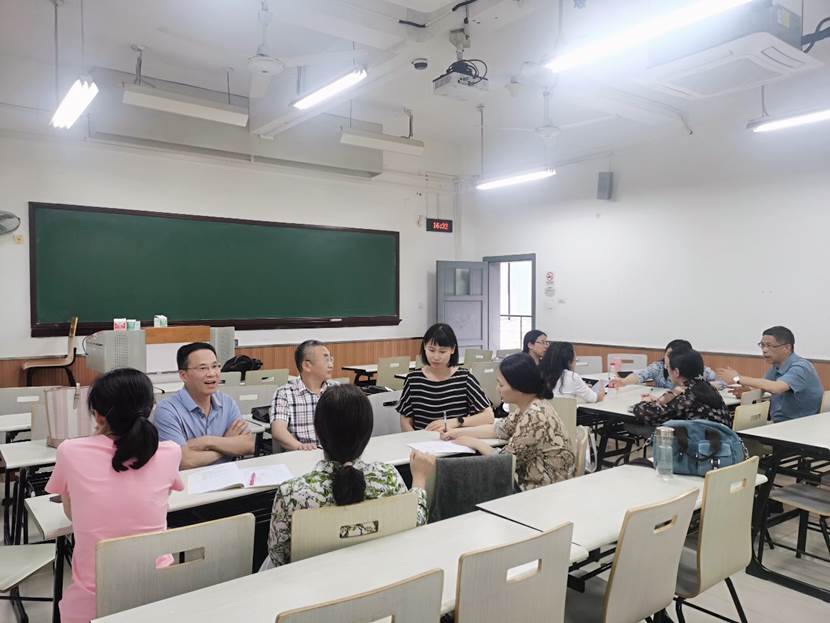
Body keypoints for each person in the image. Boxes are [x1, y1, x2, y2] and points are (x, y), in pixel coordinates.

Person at [45, 368, 183, 623]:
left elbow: (72, 514)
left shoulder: (70, 451)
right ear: (151, 408)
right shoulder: (171, 452)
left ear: (98, 416)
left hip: (94, 603)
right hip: (159, 594)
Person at [266, 384, 433, 567]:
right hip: (375, 573)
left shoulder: (291, 493)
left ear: (318, 431)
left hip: (312, 582)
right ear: (368, 431)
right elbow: (414, 525)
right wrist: (419, 479)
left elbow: (278, 557)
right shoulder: (388, 477)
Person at [441, 353, 575, 490]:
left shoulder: (534, 416)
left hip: (543, 489)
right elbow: (498, 429)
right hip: (539, 482)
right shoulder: (529, 406)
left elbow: (504, 462)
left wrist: (474, 442)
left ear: (520, 387)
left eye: (501, 384)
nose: (497, 389)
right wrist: (456, 433)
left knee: (465, 480)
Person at [154, 342, 253, 469]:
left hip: (227, 475)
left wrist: (207, 441)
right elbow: (183, 461)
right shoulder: (167, 410)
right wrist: (226, 445)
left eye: (215, 366)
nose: (212, 373)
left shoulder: (227, 402)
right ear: (183, 375)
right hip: (188, 479)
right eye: (203, 368)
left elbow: (248, 445)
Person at [397, 323, 494, 432]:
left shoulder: (465, 378)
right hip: (422, 440)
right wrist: (415, 438)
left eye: (442, 351)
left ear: (453, 349)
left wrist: (457, 422)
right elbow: (405, 419)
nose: (436, 357)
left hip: (455, 439)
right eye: (431, 350)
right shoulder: (413, 380)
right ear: (424, 347)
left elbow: (489, 416)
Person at [717, 326, 823, 422]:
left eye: (769, 346)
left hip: (799, 425)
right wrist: (749, 391)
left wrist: (737, 378)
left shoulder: (801, 367)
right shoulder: (776, 366)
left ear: (787, 348)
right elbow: (765, 386)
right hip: (779, 422)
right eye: (762, 345)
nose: (764, 350)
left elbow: (776, 388)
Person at [632, 349, 731, 427]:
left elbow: (647, 414)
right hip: (719, 442)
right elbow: (676, 407)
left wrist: (645, 402)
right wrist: (659, 401)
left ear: (676, 372)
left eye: (668, 367)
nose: (667, 370)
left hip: (697, 444)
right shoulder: (707, 387)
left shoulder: (686, 395)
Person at [270, 339, 339, 451]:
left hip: (336, 453)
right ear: (307, 365)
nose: (331, 365)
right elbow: (278, 431)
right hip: (303, 454)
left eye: (331, 359)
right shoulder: (285, 393)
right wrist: (299, 446)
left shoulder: (337, 389)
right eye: (326, 360)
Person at [609, 339, 719, 389]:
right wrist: (623, 381)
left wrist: (706, 386)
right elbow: (640, 375)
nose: (670, 359)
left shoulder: (696, 368)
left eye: (675, 355)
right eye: (668, 354)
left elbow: (719, 382)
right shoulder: (658, 367)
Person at [540, 341, 605, 403]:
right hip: (567, 411)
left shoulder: (539, 373)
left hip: (545, 410)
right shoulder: (572, 377)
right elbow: (595, 398)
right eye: (575, 359)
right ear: (569, 362)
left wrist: (583, 387)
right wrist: (602, 390)